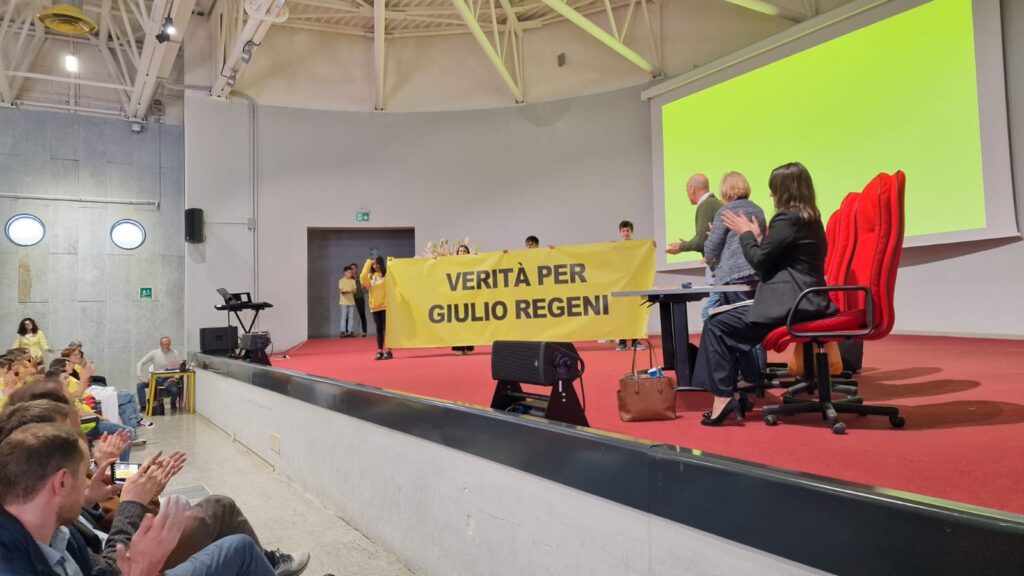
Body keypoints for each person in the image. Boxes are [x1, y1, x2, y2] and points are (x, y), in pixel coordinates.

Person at [693, 162, 837, 426]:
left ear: (784, 190)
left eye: (774, 189)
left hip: (793, 303)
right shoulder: (811, 219)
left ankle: (723, 398)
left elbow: (759, 262)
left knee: (716, 325)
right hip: (806, 299)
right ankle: (735, 390)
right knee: (721, 323)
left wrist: (747, 234)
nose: (771, 195)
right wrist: (758, 237)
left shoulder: (786, 219)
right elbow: (773, 259)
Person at [665, 174, 724, 320]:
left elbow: (702, 240)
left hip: (718, 269)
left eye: (686, 190)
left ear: (692, 188)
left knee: (708, 315)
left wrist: (681, 247)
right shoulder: (715, 203)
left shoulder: (705, 205)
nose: (687, 194)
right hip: (721, 267)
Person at [703, 172, 766, 303]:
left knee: (731, 313)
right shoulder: (758, 210)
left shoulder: (725, 212)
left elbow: (712, 247)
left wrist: (708, 255)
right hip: (757, 273)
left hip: (733, 275)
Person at [614, 220, 648, 352]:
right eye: (623, 231)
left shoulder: (638, 246)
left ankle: (635, 342)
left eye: (627, 230)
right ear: (620, 232)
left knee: (635, 313)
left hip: (635, 285)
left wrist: (651, 246)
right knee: (622, 314)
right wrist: (609, 247)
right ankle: (622, 342)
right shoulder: (617, 247)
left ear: (631, 231)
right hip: (622, 285)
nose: (625, 233)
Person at [136, 337, 183, 413]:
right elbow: (140, 363)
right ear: (161, 344)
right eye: (165, 344)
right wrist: (140, 376)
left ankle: (173, 403)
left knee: (175, 391)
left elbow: (178, 368)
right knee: (140, 385)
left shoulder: (175, 353)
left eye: (168, 344)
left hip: (169, 379)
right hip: (156, 379)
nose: (167, 346)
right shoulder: (154, 353)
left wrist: (176, 378)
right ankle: (143, 406)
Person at [361, 256, 393, 360]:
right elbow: (362, 277)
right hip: (375, 307)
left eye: (377, 263)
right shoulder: (370, 277)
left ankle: (389, 351)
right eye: (374, 264)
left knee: (387, 329)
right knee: (379, 329)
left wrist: (391, 262)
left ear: (381, 264)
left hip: (386, 306)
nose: (375, 266)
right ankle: (379, 351)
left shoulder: (387, 275)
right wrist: (368, 262)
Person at [451, 245, 477, 356]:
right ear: (457, 253)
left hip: (470, 296)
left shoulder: (472, 263)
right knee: (458, 322)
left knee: (469, 322)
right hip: (457, 297)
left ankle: (469, 347)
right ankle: (458, 347)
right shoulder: (451, 263)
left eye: (465, 251)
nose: (462, 252)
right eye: (460, 251)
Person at [348, 263, 369, 337]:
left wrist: (365, 287)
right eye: (352, 269)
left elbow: (365, 286)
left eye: (355, 268)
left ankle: (364, 331)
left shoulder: (360, 277)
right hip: (351, 298)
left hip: (360, 297)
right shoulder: (349, 278)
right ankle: (348, 331)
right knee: (348, 314)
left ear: (357, 269)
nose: (354, 270)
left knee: (362, 313)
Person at [338, 267, 358, 338]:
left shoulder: (353, 281)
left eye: (351, 273)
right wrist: (349, 290)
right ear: (345, 273)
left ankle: (350, 331)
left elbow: (355, 291)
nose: (351, 274)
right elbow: (342, 291)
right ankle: (342, 331)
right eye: (349, 272)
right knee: (343, 317)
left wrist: (348, 290)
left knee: (351, 317)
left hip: (351, 301)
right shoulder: (341, 281)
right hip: (343, 302)